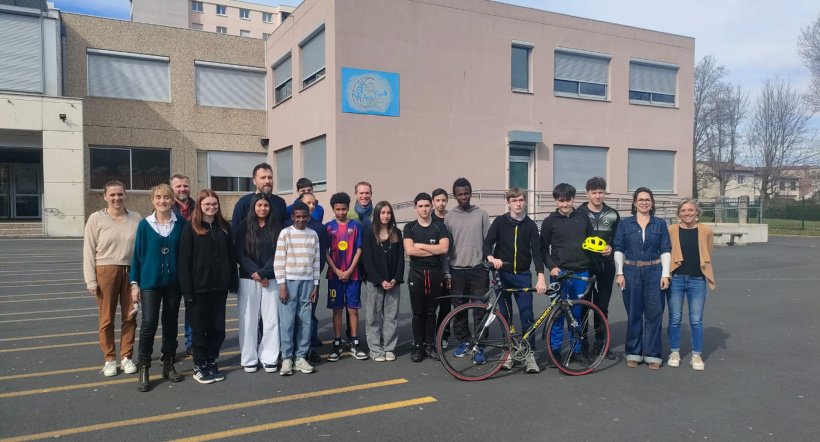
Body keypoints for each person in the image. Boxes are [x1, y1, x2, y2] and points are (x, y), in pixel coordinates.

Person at [129, 184, 186, 391]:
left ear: (173, 201)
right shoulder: (145, 225)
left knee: (171, 323)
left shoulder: (181, 223)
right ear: (152, 200)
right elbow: (137, 256)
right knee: (148, 324)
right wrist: (134, 284)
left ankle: (168, 363)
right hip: (150, 283)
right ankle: (144, 366)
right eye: (158, 197)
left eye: (167, 198)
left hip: (173, 284)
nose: (163, 201)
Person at [179, 189, 239, 384]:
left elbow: (232, 255)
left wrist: (233, 281)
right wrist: (187, 291)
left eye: (214, 204)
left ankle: (211, 361)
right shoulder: (191, 228)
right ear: (200, 206)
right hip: (198, 288)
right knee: (199, 329)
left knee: (217, 329)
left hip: (219, 287)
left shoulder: (224, 227)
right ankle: (199, 365)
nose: (211, 207)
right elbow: (184, 262)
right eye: (207, 205)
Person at [484, 187, 547, 373]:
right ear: (508, 202)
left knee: (527, 316)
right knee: (506, 316)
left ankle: (529, 355)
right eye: (514, 201)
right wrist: (490, 258)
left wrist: (541, 276)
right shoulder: (500, 222)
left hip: (522, 275)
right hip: (502, 274)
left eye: (521, 200)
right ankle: (510, 352)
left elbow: (537, 252)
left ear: (525, 202)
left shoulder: (530, 225)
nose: (518, 204)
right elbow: (487, 242)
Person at [83, 181, 142, 377]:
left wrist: (140, 279)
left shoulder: (136, 219)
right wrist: (91, 280)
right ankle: (109, 359)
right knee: (106, 319)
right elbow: (88, 251)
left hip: (130, 272)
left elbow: (141, 250)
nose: (117, 198)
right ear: (105, 197)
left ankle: (126, 357)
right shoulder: (95, 219)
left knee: (130, 316)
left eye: (120, 194)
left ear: (125, 195)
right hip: (105, 271)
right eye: (112, 195)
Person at [613, 187, 671, 370]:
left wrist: (665, 274)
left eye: (647, 199)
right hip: (631, 272)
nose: (644, 202)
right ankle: (634, 352)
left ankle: (653, 355)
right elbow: (619, 248)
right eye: (641, 199)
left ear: (652, 203)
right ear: (634, 202)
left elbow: (665, 250)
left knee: (654, 314)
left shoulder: (660, 224)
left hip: (654, 270)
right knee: (634, 313)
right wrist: (619, 272)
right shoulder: (625, 224)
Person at [539, 183, 594, 368]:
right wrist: (552, 267)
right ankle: (554, 351)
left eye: (568, 200)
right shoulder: (549, 221)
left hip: (581, 273)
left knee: (576, 314)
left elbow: (592, 242)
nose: (564, 204)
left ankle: (576, 350)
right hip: (560, 273)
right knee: (558, 315)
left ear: (573, 199)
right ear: (556, 200)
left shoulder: (583, 217)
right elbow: (542, 249)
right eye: (561, 200)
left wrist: (605, 249)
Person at [444, 178, 491, 362]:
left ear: (470, 193)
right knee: (460, 310)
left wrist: (488, 265)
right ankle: (464, 342)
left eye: (466, 193)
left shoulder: (481, 214)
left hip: (478, 270)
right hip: (456, 270)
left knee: (480, 310)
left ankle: (479, 346)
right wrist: (447, 271)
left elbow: (488, 243)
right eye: (459, 194)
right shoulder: (449, 217)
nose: (463, 196)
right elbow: (445, 248)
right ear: (455, 196)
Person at [234, 193, 282, 374]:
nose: (263, 208)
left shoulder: (276, 227)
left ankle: (269, 357)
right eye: (259, 205)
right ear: (253, 207)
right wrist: (255, 273)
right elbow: (239, 253)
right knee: (248, 320)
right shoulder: (244, 227)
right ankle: (249, 358)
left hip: (270, 278)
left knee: (271, 319)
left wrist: (263, 273)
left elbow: (279, 253)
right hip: (248, 279)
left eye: (266, 205)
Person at [667, 199, 715, 371]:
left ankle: (696, 355)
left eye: (690, 210)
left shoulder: (706, 230)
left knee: (696, 319)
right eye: (683, 210)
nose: (687, 213)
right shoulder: (672, 230)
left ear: (697, 212)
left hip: (697, 280)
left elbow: (707, 251)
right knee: (675, 318)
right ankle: (674, 352)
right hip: (677, 279)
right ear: (679, 213)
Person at [274, 201, 320, 376]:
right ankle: (287, 358)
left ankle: (300, 357)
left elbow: (316, 261)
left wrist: (315, 284)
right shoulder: (285, 234)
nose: (301, 219)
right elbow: (279, 260)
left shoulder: (313, 235)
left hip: (307, 282)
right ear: (292, 217)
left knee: (305, 321)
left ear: (309, 216)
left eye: (304, 216)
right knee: (287, 322)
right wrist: (282, 285)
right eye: (297, 216)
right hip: (289, 282)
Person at [576, 177, 620, 360]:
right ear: (587, 193)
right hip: (584, 266)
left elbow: (619, 241)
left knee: (602, 306)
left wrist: (612, 249)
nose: (597, 195)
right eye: (593, 192)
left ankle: (601, 344)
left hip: (606, 267)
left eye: (600, 192)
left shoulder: (612, 214)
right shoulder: (578, 213)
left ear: (604, 193)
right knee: (583, 307)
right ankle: (583, 345)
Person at [404, 193, 449, 362]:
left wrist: (421, 246)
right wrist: (433, 248)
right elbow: (410, 251)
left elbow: (444, 249)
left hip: (435, 273)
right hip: (416, 273)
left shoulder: (439, 227)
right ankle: (418, 345)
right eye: (420, 206)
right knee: (418, 312)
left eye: (426, 205)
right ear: (415, 207)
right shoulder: (410, 227)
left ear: (431, 207)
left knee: (431, 312)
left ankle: (430, 345)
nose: (424, 209)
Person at [284, 192, 328, 363]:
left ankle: (309, 348)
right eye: (308, 202)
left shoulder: (318, 228)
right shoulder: (287, 226)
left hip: (310, 279)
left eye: (314, 203)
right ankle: (290, 351)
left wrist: (315, 279)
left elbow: (320, 256)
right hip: (291, 278)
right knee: (291, 316)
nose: (312, 206)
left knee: (309, 315)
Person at [325, 192, 367, 361]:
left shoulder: (355, 226)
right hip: (335, 275)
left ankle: (355, 342)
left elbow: (359, 249)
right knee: (337, 310)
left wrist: (349, 270)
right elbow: (326, 252)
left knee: (352, 309)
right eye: (338, 209)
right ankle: (336, 344)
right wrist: (336, 270)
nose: (341, 212)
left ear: (348, 208)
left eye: (344, 209)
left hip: (353, 274)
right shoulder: (328, 227)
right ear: (333, 209)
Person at [362, 201, 405, 362]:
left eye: (388, 213)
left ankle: (389, 348)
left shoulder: (396, 233)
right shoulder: (369, 233)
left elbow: (401, 258)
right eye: (382, 213)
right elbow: (367, 260)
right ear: (377, 215)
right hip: (375, 282)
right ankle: (375, 348)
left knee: (391, 316)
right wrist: (380, 280)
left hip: (393, 282)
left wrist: (395, 278)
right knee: (373, 316)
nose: (386, 216)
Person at [170, 174, 195, 357]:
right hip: (172, 266)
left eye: (185, 185)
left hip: (193, 267)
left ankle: (191, 342)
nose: (182, 189)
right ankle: (169, 346)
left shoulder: (198, 206)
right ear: (172, 189)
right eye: (178, 186)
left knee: (192, 307)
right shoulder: (166, 208)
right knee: (171, 309)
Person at [232, 163, 288, 230]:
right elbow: (236, 230)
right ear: (254, 181)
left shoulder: (280, 202)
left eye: (270, 177)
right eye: (263, 178)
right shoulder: (243, 203)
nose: (267, 181)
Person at [431, 188, 453, 347]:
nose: (441, 203)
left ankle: (443, 334)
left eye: (443, 200)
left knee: (446, 304)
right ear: (433, 201)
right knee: (430, 305)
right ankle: (429, 336)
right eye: (438, 200)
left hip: (451, 266)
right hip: (432, 267)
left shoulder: (451, 218)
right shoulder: (428, 218)